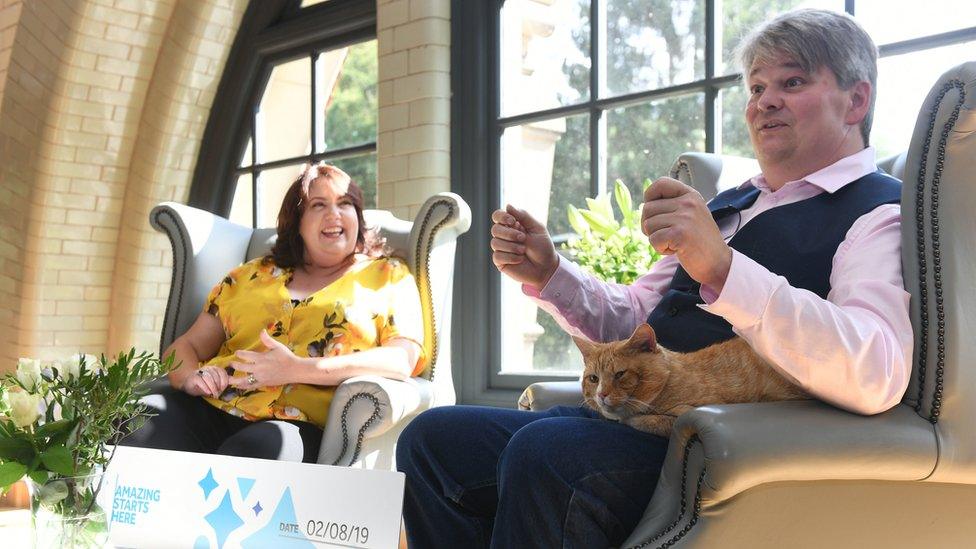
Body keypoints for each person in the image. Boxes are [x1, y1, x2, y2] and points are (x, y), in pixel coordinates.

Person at [396, 8, 912, 548]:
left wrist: (723, 270)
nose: (764, 101)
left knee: (548, 451)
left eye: (792, 81)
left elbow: (876, 369)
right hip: (637, 414)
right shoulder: (726, 206)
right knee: (433, 440)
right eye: (756, 86)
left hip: (715, 448)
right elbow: (637, 320)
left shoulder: (878, 214)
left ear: (856, 100)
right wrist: (550, 274)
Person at [123, 163, 426, 463]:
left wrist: (296, 369)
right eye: (319, 205)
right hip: (213, 406)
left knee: (254, 453)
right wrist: (192, 376)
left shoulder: (388, 276)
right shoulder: (249, 275)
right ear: (297, 222)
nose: (334, 214)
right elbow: (185, 346)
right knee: (133, 426)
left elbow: (402, 359)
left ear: (357, 217)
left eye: (345, 204)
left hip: (296, 423)